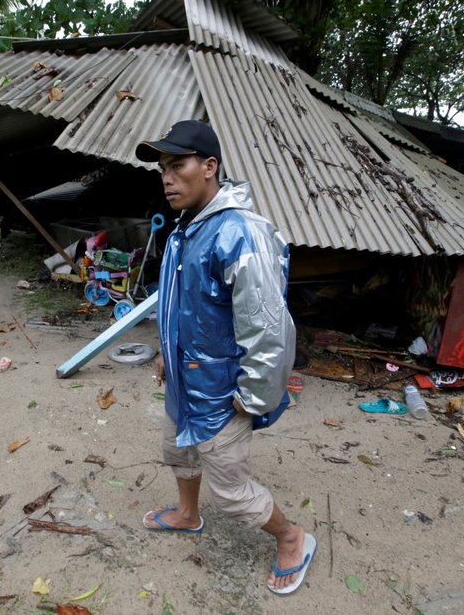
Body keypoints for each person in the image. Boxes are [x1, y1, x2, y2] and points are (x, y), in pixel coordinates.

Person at [135, 120, 316, 596]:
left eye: (178, 166)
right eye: (162, 170)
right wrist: (164, 354)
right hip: (184, 379)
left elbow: (269, 328)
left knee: (233, 491)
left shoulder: (240, 234)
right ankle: (187, 515)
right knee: (178, 452)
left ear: (210, 166)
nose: (167, 178)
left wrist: (254, 396)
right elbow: (180, 304)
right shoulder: (186, 230)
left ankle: (292, 537)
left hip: (222, 389)